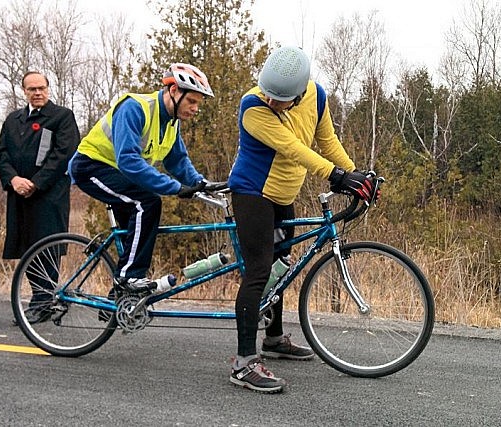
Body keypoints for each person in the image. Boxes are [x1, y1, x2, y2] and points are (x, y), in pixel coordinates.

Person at [227, 46, 378, 393]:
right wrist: (337, 177)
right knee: (260, 270)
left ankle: (275, 338)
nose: (272, 101)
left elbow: (327, 140)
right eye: (269, 94)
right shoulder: (252, 106)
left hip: (283, 195)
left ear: (299, 93)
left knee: (284, 265)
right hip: (253, 194)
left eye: (281, 99)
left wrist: (356, 176)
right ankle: (243, 363)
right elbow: (293, 147)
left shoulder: (317, 96)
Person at [68, 63, 214, 292]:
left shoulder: (171, 122)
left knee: (135, 232)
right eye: (192, 101)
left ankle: (118, 299)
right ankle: (129, 279)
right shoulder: (136, 108)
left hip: (119, 174)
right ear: (174, 90)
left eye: (198, 104)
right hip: (91, 166)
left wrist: (200, 183)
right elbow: (128, 160)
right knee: (147, 202)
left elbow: (177, 160)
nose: (195, 109)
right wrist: (174, 187)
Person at [0, 71, 80, 323]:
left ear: (48, 88)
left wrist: (35, 183)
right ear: (24, 91)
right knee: (27, 248)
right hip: (19, 195)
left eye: (41, 88)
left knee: (47, 248)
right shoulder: (13, 120)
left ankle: (45, 302)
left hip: (48, 196)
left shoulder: (61, 117)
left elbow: (63, 154)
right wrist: (13, 180)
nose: (37, 92)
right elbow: (1, 155)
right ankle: (39, 300)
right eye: (32, 89)